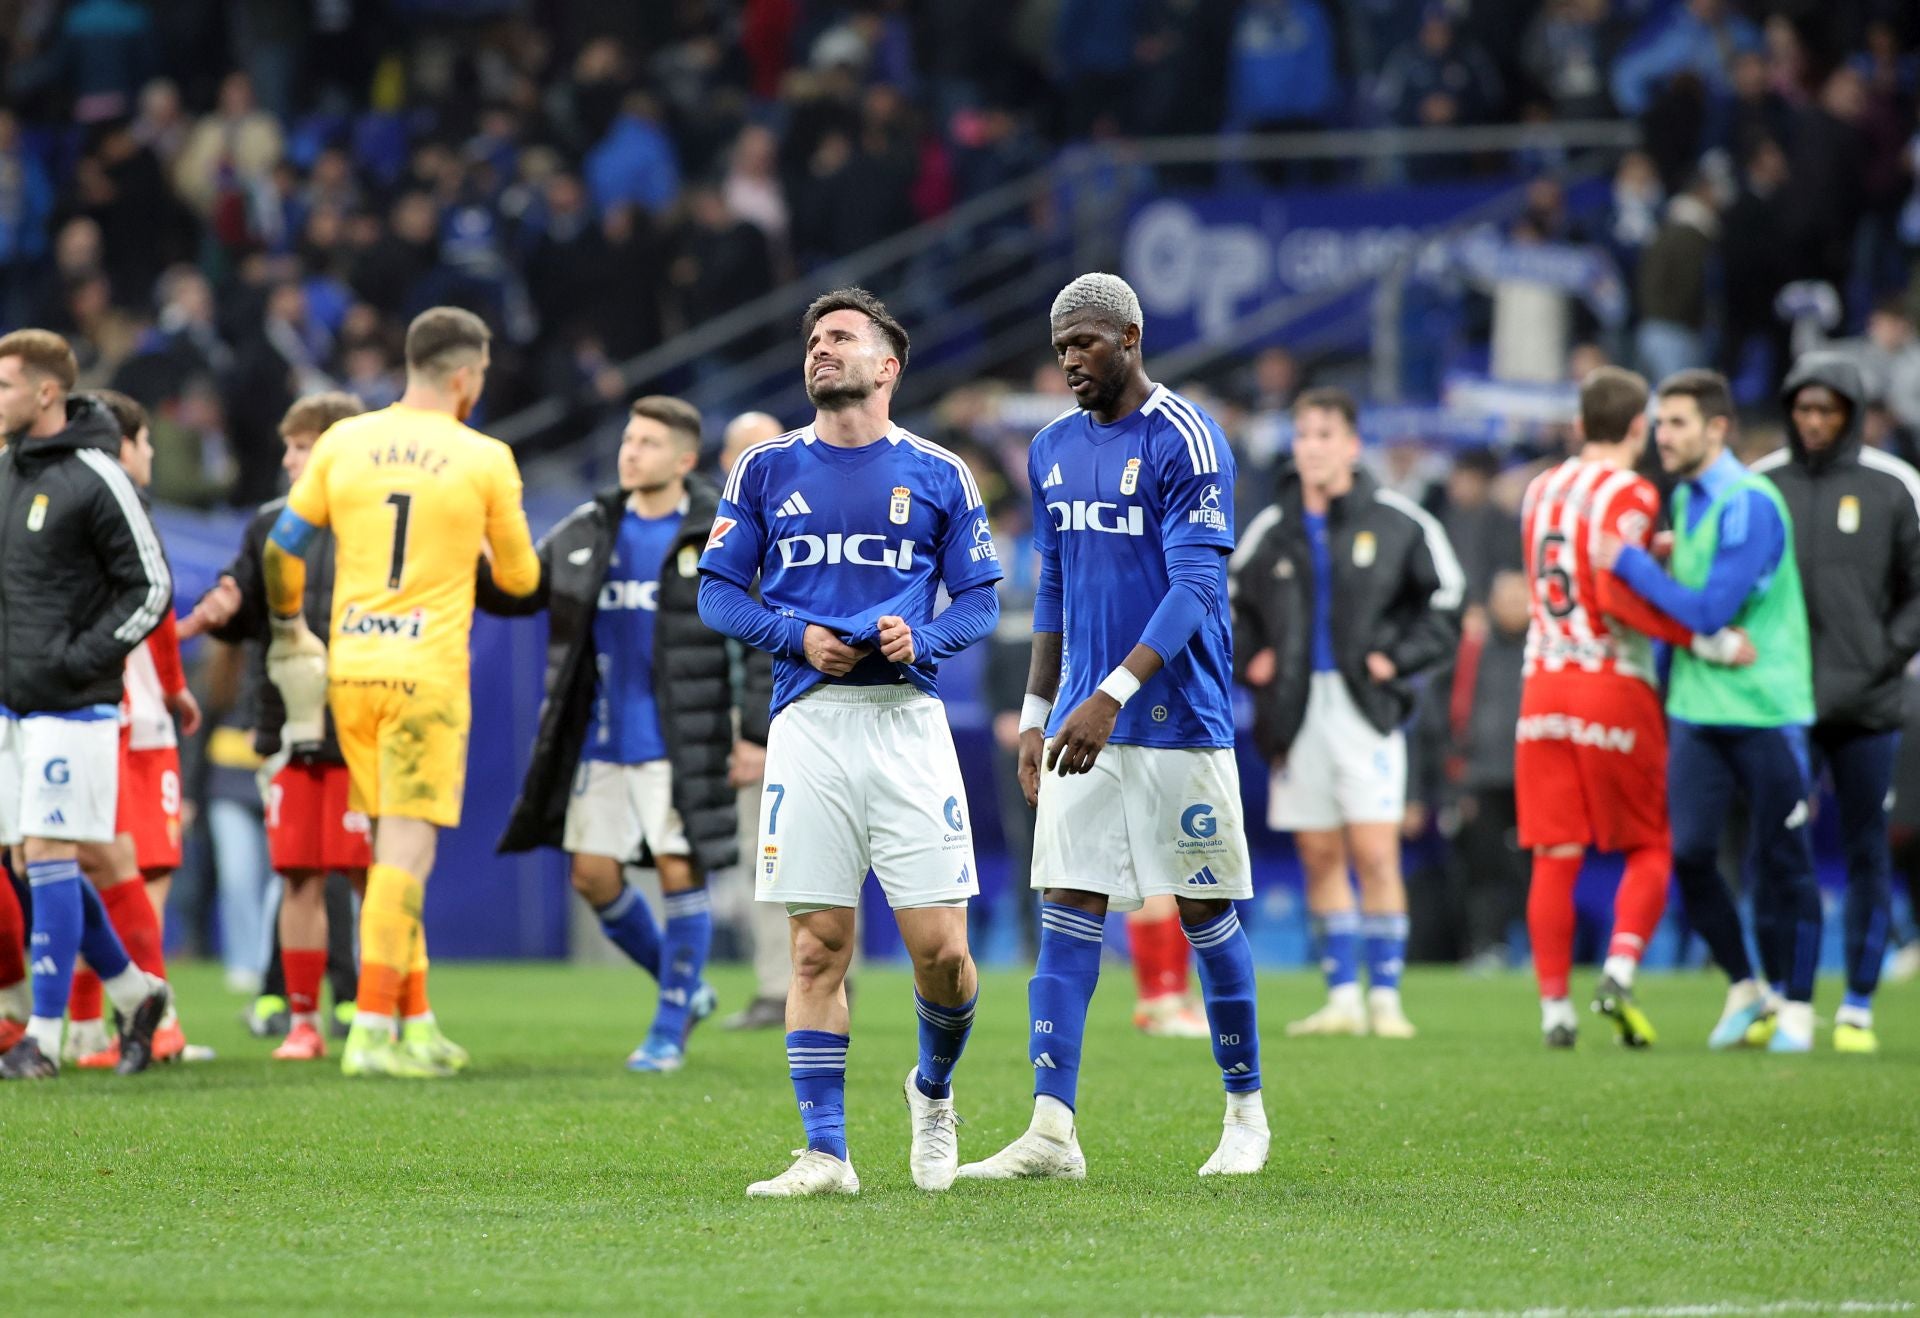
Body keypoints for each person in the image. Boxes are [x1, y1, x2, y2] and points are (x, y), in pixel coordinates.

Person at [959, 272, 1267, 1182]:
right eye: (1060, 350)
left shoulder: (1187, 438)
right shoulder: (1050, 448)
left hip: (1176, 717)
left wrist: (1112, 695)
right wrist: (1034, 713)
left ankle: (1245, 1112)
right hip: (1082, 723)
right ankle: (1052, 1132)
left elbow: (1198, 587)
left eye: (1085, 345)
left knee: (1208, 911)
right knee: (1067, 908)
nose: (1070, 363)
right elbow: (1051, 583)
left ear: (1129, 336)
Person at [697, 287, 1001, 1197]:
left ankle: (933, 1091)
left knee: (941, 951)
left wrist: (929, 637)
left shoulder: (941, 472)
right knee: (816, 947)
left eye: (841, 338)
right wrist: (797, 640)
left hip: (905, 723)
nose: (820, 351)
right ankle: (826, 1152)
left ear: (888, 364)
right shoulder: (761, 469)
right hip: (808, 726)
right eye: (813, 340)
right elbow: (719, 593)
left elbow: (980, 599)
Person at [262, 307, 540, 1079]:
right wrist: (478, 542)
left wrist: (290, 628)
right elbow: (521, 579)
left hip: (350, 670)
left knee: (390, 852)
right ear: (463, 376)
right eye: (479, 377)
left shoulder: (344, 441)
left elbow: (282, 549)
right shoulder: (484, 456)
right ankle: (373, 1030)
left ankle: (416, 1022)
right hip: (426, 677)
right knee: (405, 858)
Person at [485, 395, 769, 1071]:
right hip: (602, 735)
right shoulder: (593, 525)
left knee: (678, 866)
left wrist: (754, 731)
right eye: (628, 440)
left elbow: (760, 635)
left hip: (681, 733)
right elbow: (523, 590)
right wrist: (476, 558)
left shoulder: (716, 531)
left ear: (683, 459)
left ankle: (669, 1027)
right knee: (592, 875)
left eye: (646, 442)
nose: (630, 452)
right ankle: (689, 988)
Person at [1518, 366, 1753, 1048]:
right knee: (1650, 843)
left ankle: (1554, 1011)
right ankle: (1619, 967)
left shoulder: (1540, 487)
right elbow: (1615, 590)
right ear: (1636, 428)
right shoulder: (1631, 488)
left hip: (1542, 684)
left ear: (1577, 425)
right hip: (1609, 678)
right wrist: (1702, 639)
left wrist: (1651, 551)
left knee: (1553, 854)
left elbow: (1562, 566)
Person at [1596, 369, 1821, 1053]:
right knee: (1691, 856)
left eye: (1677, 423)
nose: (1661, 435)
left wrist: (1630, 564)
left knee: (1783, 859)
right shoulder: (1689, 500)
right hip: (1698, 708)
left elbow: (1709, 611)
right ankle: (1747, 987)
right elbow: (1694, 605)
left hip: (1764, 709)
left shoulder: (1749, 503)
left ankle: (1799, 1009)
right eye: (1660, 423)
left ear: (1717, 429)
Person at [1232, 388, 1463, 1039]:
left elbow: (1447, 599)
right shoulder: (1270, 527)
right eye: (1303, 434)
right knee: (1317, 850)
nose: (1312, 446)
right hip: (1297, 709)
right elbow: (1228, 603)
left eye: (1325, 434)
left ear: (1352, 445)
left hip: (1366, 710)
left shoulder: (1397, 520)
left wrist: (1397, 657)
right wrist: (1252, 657)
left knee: (1375, 850)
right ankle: (1341, 996)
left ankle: (1386, 996)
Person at [0, 329, 171, 1078]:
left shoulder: (98, 474)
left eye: (4, 385)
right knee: (30, 856)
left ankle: (42, 1031)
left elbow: (153, 587)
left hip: (74, 707)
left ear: (45, 392)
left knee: (49, 851)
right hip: (11, 706)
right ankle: (136, 994)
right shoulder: (5, 471)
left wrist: (81, 660)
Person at [182, 391, 371, 1061]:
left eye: (302, 445)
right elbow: (239, 605)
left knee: (374, 875)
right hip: (287, 727)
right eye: (289, 445)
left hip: (366, 725)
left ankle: (382, 1014)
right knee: (297, 874)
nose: (289, 457)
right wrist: (222, 605)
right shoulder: (268, 525)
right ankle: (301, 1021)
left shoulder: (378, 522)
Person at [1751, 353, 1920, 1053]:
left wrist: (1884, 655)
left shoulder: (1895, 485)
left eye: (1829, 411)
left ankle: (1856, 1004)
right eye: (1804, 409)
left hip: (1870, 705)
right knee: (1777, 851)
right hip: (1782, 702)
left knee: (1866, 852)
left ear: (1851, 414)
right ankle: (1789, 1002)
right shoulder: (1760, 485)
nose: (1814, 423)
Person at [65, 389, 201, 1068]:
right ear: (127, 445)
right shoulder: (127, 510)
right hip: (134, 718)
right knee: (137, 872)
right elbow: (162, 611)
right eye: (146, 443)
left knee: (78, 866)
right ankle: (156, 1016)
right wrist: (177, 690)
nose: (148, 455)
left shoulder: (56, 497)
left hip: (78, 708)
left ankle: (89, 1026)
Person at [714, 410, 790, 1033]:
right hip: (716, 728)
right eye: (748, 451)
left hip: (775, 728)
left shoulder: (788, 525)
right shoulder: (720, 529)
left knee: (773, 855)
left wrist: (755, 736)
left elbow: (771, 648)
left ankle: (781, 987)